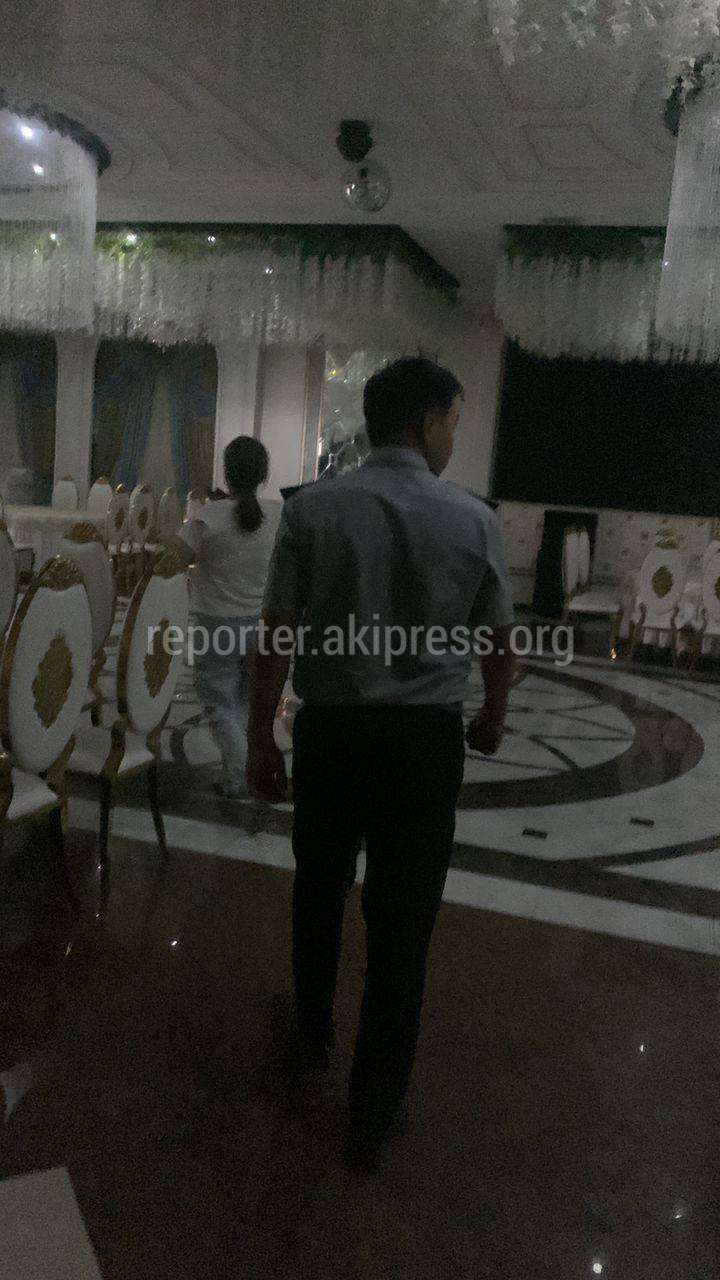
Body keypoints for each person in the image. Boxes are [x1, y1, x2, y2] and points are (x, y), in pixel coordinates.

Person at [246, 357, 515, 1162]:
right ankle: (373, 1110)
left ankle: (312, 1035)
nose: (453, 438)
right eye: (453, 423)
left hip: (332, 739)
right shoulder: (474, 520)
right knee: (403, 926)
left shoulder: (311, 509)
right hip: (423, 747)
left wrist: (260, 738)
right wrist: (493, 715)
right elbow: (500, 640)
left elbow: (276, 634)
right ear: (427, 422)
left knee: (318, 893)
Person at [175, 437, 281, 799]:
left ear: (227, 472)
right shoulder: (278, 514)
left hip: (216, 626)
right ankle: (244, 772)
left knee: (220, 707)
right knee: (247, 705)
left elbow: (172, 559)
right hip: (261, 625)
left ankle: (240, 777)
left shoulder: (209, 517)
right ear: (263, 475)